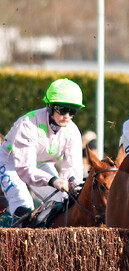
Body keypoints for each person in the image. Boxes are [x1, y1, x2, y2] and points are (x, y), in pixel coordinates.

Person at [0, 78, 85, 225]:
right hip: (12, 163)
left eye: (73, 111)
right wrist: (53, 180)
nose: (67, 116)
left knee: (63, 201)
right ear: (50, 106)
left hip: (40, 163)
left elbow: (73, 168)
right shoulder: (28, 125)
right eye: (63, 109)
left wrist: (76, 186)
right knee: (24, 205)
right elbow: (26, 169)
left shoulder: (72, 131)